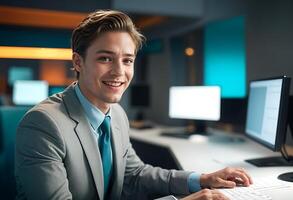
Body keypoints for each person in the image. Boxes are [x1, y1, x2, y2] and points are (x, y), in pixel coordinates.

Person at [15, 10, 252, 200]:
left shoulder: (116, 114)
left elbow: (135, 175)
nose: (119, 72)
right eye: (105, 58)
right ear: (78, 62)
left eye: (127, 60)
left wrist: (200, 179)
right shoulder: (43, 124)